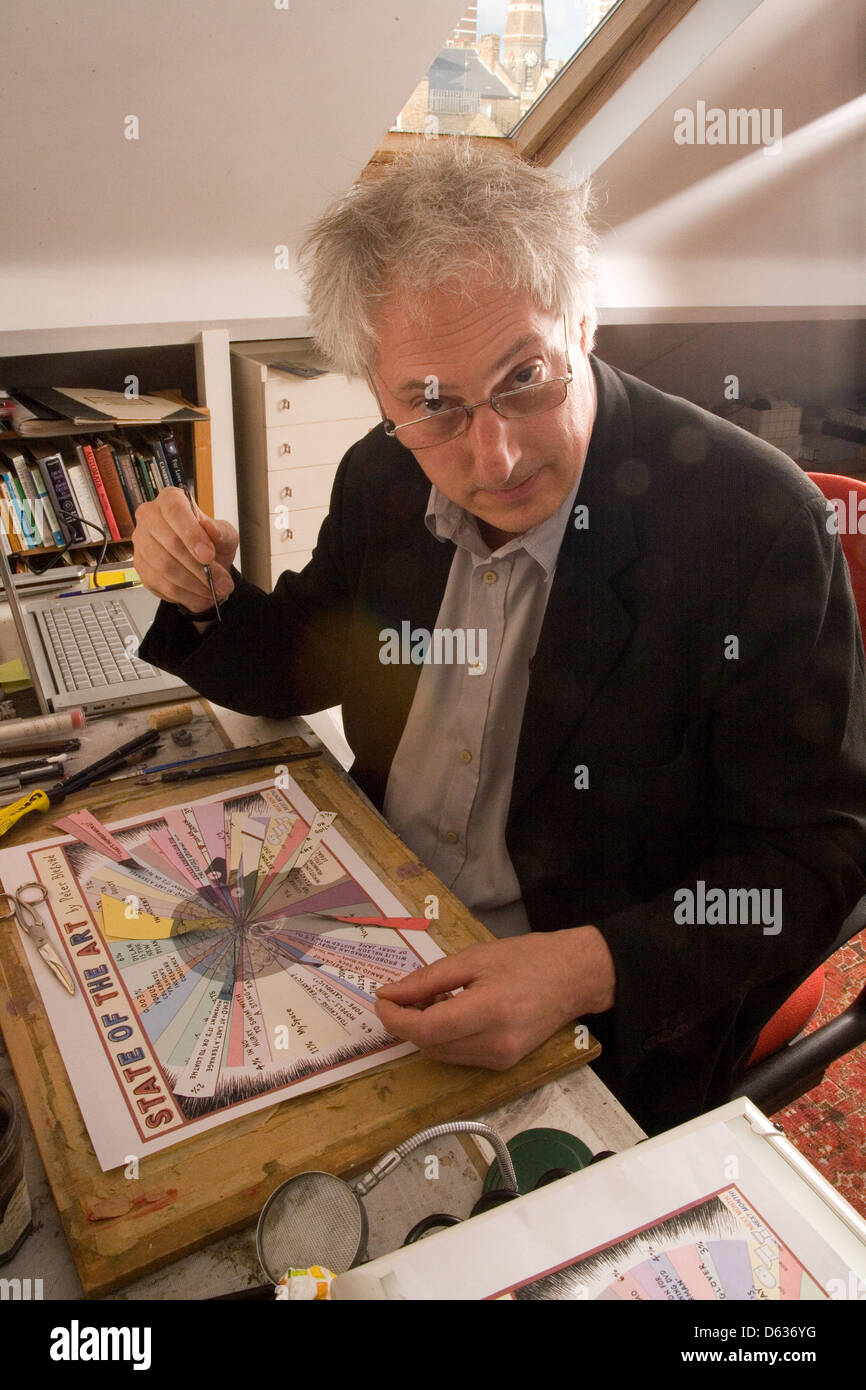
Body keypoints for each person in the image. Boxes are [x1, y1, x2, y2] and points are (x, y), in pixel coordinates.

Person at [133, 141, 866, 1135]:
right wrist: (207, 597)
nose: (495, 455)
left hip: (602, 1009)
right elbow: (302, 654)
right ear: (378, 393)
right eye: (430, 405)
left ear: (584, 322)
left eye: (525, 376)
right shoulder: (381, 475)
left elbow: (812, 863)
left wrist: (585, 967)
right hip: (372, 917)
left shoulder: (751, 526)